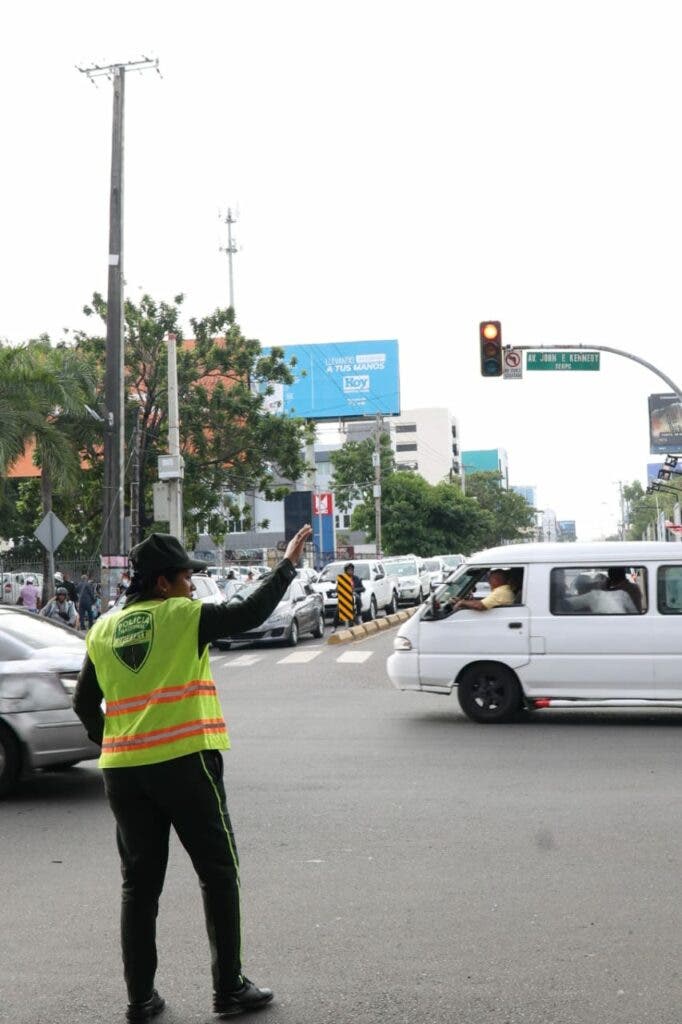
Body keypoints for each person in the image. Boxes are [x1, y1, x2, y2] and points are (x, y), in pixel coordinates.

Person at [73, 524, 312, 1023]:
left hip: (123, 773)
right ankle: (228, 989)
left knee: (139, 887)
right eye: (186, 578)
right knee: (218, 873)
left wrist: (116, 739)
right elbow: (250, 613)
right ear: (163, 583)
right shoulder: (184, 616)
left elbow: (83, 703)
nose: (191, 586)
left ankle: (141, 1000)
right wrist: (286, 564)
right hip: (184, 764)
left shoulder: (102, 629)